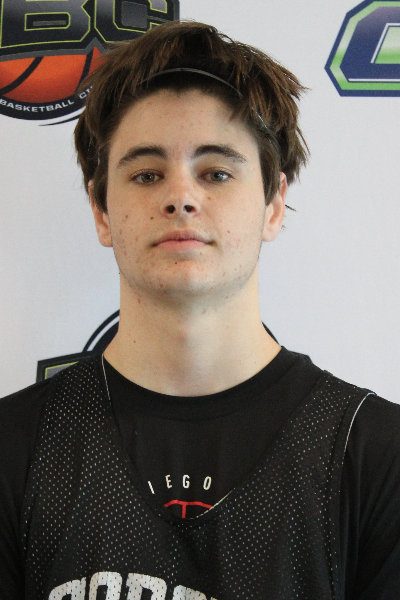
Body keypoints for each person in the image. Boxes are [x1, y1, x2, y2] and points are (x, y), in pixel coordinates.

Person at [1, 20, 400, 600]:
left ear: (273, 204)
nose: (181, 197)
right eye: (147, 174)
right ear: (101, 211)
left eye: (216, 172)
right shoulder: (16, 448)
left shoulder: (375, 455)